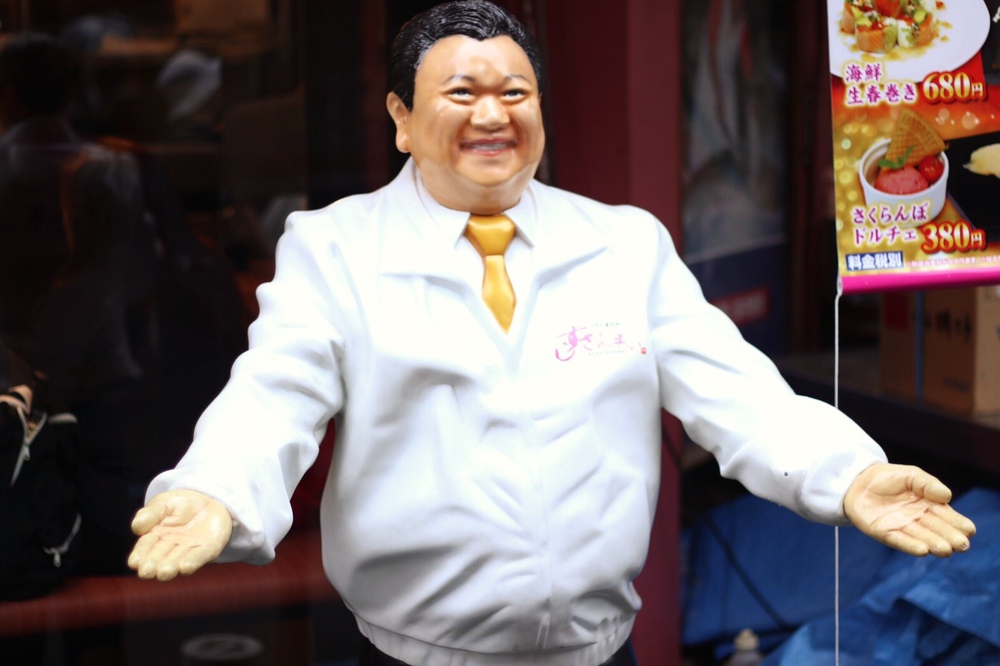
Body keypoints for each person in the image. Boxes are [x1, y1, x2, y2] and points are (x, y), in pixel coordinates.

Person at [127, 2, 976, 665]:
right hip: (415, 655)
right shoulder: (337, 248)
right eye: (461, 93)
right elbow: (273, 396)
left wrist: (849, 473)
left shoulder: (622, 243)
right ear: (400, 116)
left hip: (598, 652)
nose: (491, 115)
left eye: (514, 93)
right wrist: (216, 490)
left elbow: (738, 393)